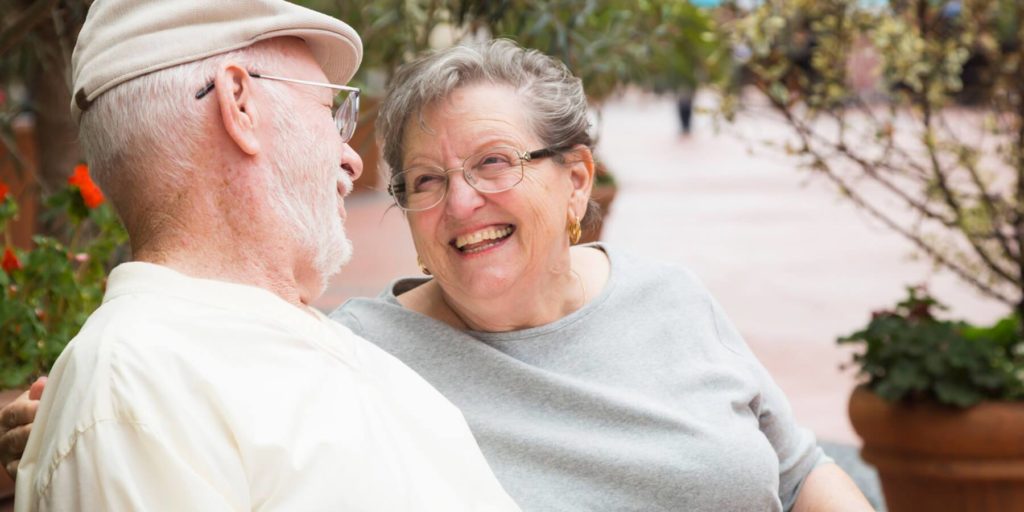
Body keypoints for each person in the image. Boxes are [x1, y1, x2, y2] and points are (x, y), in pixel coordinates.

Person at [2, 39, 874, 511]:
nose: (460, 204)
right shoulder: (361, 356)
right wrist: (42, 432)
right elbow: (194, 377)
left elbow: (799, 474)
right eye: (423, 181)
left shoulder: (671, 297)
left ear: (576, 181)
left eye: (495, 163)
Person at [7, 1, 519, 510]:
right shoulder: (139, 386)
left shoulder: (193, 369)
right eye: (330, 112)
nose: (351, 156)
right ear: (240, 103)